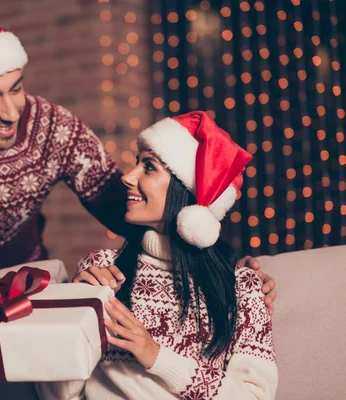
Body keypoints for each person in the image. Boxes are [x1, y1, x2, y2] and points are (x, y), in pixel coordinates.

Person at [0, 14, 275, 354]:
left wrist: (222, 266)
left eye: (17, 88)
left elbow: (126, 206)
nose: (11, 112)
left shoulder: (50, 126)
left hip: (25, 280)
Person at [38, 111, 277, 399]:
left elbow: (254, 396)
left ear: (186, 190)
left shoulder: (242, 286)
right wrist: (76, 309)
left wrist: (156, 357)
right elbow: (57, 394)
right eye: (136, 163)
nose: (127, 177)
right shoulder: (100, 269)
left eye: (148, 167)